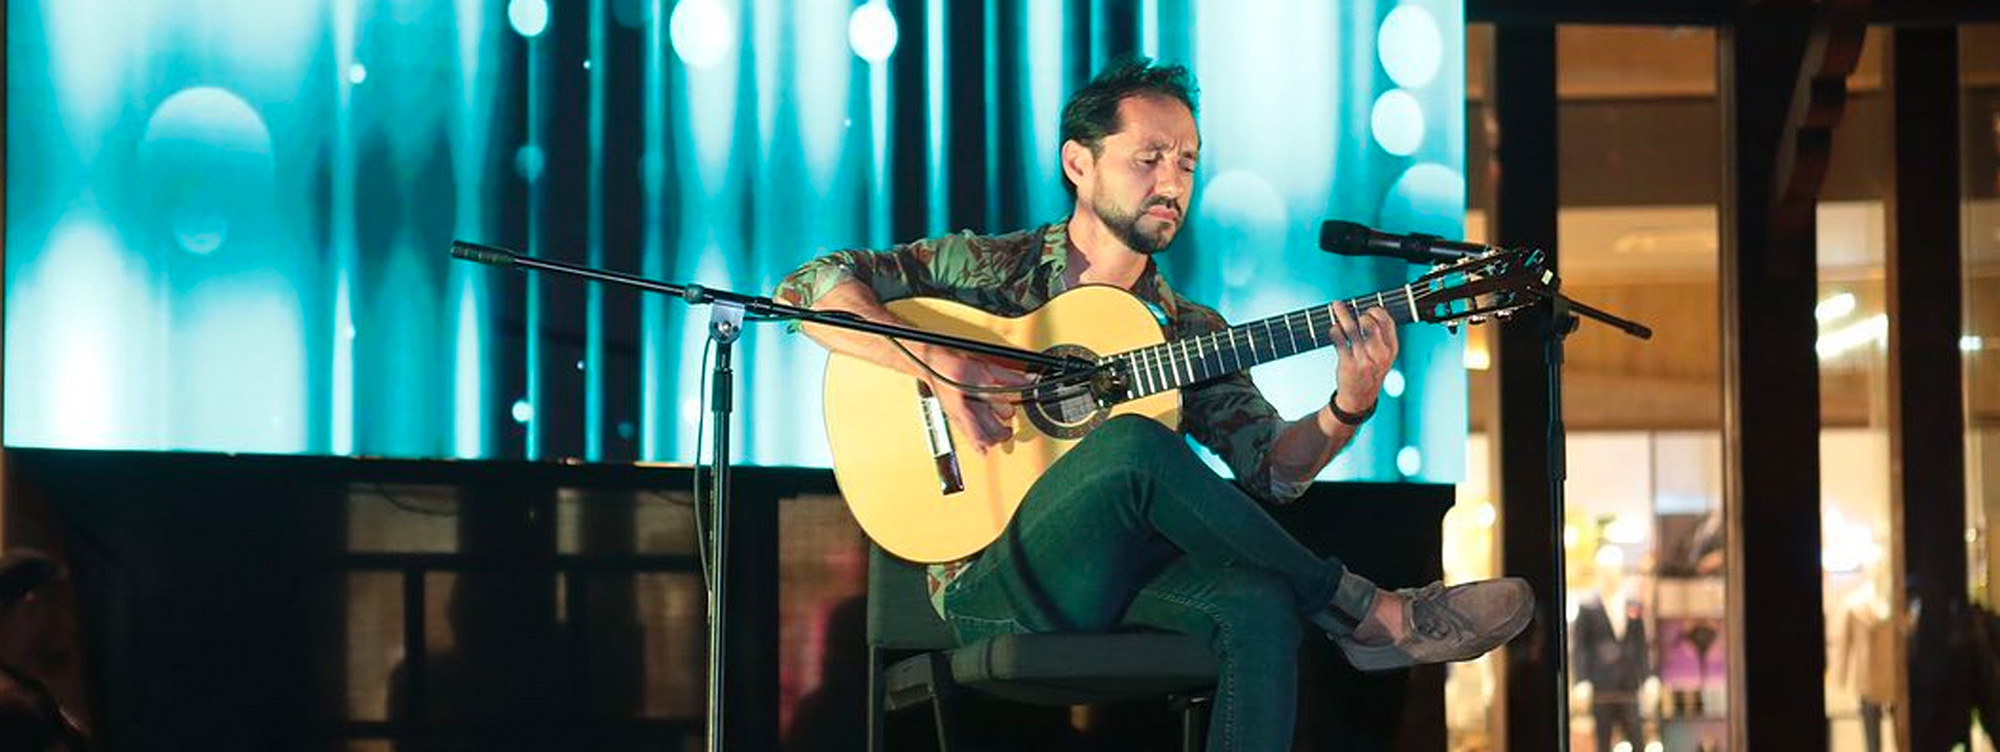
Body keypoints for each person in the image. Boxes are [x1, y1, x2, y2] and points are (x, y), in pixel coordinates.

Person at [775, 56, 1533, 751]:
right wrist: (937, 360)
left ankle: (1347, 612)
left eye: (1187, 163)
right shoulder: (988, 271)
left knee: (1260, 607)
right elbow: (807, 287)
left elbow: (1273, 472)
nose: (1172, 181)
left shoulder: (1189, 331)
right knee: (1132, 444)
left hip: (1116, 575)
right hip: (992, 584)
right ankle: (1367, 612)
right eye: (1149, 158)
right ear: (1080, 163)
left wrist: (1347, 407)